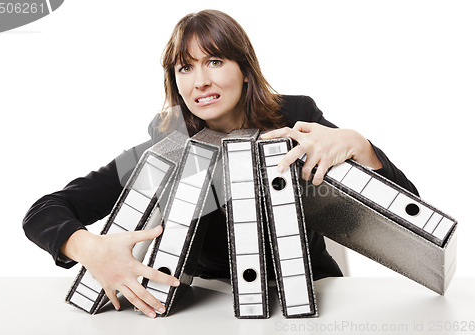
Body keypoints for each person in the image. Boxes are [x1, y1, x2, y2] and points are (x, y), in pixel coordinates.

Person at [23, 9, 418, 319]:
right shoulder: (170, 146)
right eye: (185, 68)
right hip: (213, 304)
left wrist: (361, 146)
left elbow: (409, 211)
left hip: (315, 292)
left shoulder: (294, 117)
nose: (200, 82)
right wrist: (91, 249)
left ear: (245, 71)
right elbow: (44, 211)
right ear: (174, 81)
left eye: (214, 61)